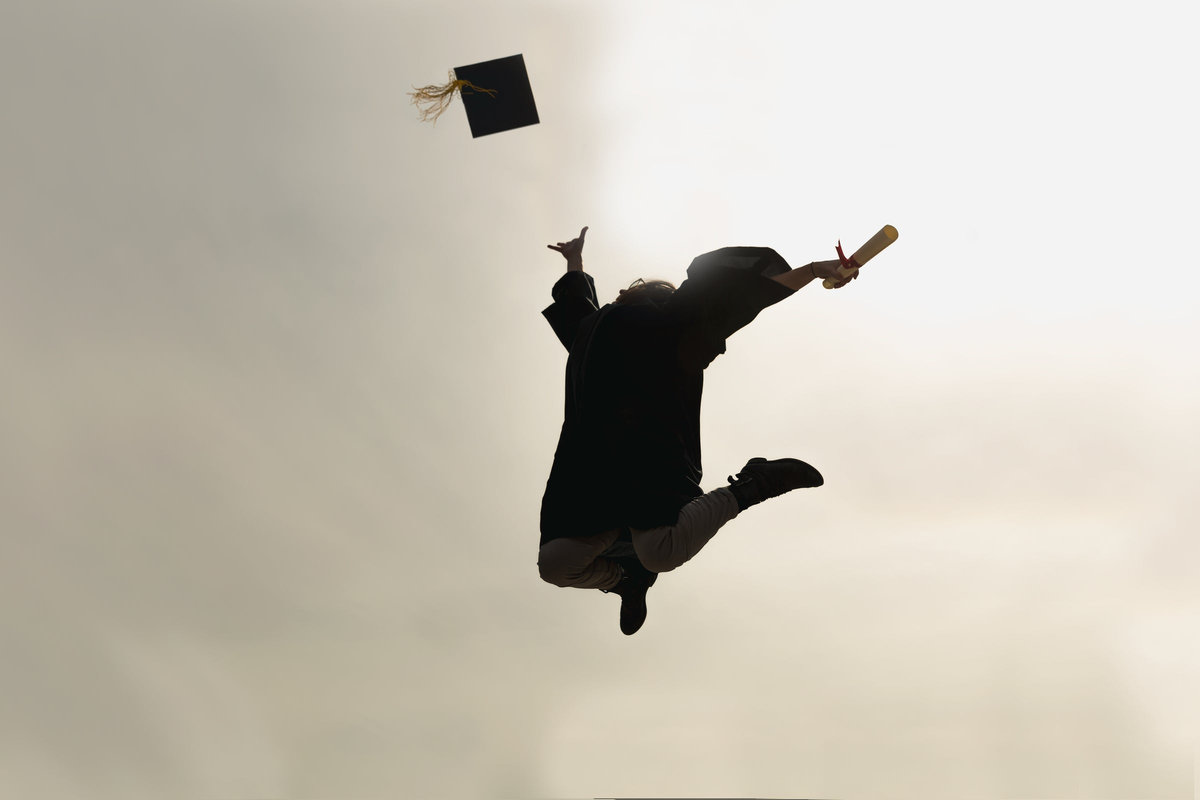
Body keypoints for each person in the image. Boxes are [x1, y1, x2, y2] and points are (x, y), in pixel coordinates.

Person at [537, 226, 856, 635]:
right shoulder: (593, 330)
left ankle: (755, 484)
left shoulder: (670, 320)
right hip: (591, 474)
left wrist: (813, 270)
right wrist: (575, 262)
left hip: (650, 460)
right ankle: (627, 581)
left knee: (660, 553)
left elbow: (742, 298)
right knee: (557, 564)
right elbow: (578, 303)